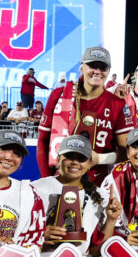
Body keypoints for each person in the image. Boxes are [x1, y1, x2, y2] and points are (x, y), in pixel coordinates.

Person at [38, 46, 130, 185]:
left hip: (98, 182)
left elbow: (126, 152)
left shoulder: (117, 104)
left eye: (103, 67)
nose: (97, 71)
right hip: (60, 180)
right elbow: (43, 141)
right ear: (82, 67)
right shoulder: (60, 95)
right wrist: (47, 180)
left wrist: (99, 159)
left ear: (108, 71)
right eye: (92, 66)